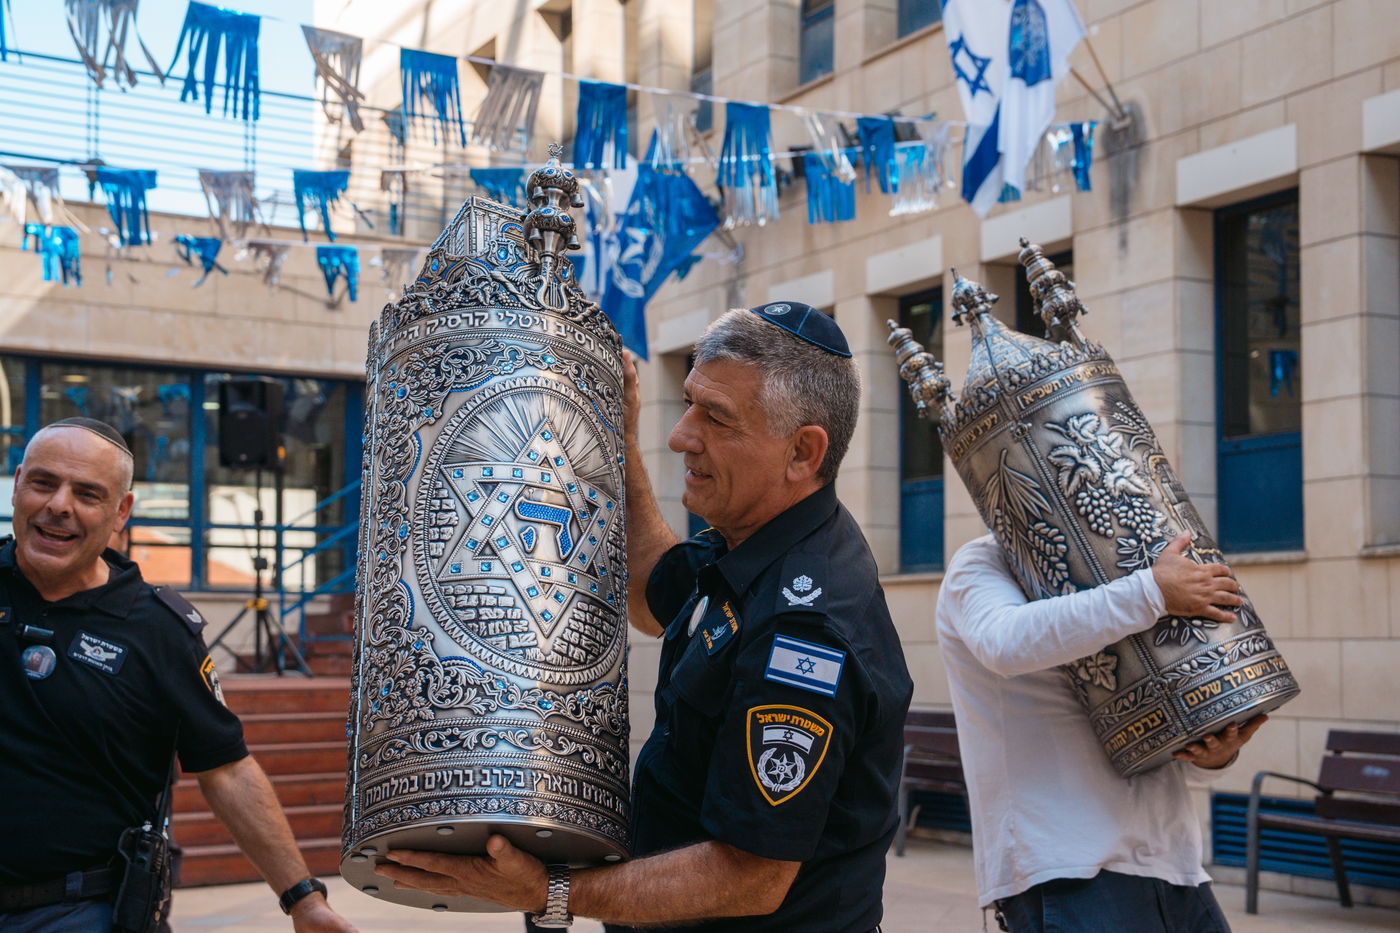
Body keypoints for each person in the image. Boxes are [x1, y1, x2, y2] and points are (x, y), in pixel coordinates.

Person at [377, 303, 913, 932]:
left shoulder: (806, 629)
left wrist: (553, 892)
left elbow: (754, 875)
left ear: (803, 451)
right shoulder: (750, 541)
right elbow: (653, 594)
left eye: (716, 417)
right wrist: (620, 440)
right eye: (689, 402)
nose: (682, 434)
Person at [0, 418, 358, 933]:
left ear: (121, 511)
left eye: (87, 493)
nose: (59, 505)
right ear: (17, 485)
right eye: (43, 483)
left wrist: (304, 899)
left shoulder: (158, 630)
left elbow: (226, 768)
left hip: (79, 911)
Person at [937, 532, 1269, 933]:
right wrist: (1150, 592)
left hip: (1174, 866)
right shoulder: (979, 562)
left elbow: (1163, 734)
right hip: (1067, 867)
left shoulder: (1122, 561)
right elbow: (1004, 643)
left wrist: (1213, 755)